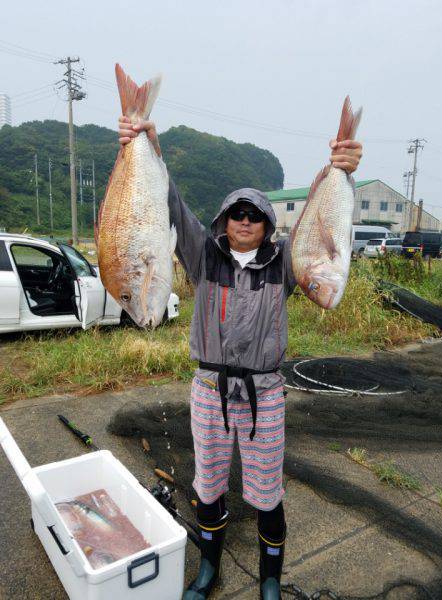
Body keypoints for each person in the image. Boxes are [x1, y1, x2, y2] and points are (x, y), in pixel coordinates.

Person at [118, 116, 362, 600]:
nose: (245, 220)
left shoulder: (285, 264)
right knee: (207, 485)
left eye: (254, 214)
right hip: (210, 390)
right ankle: (208, 570)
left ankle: (270, 579)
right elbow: (171, 203)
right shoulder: (203, 256)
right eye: (236, 213)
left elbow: (323, 224)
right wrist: (147, 143)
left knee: (268, 492)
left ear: (267, 224)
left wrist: (342, 170)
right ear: (224, 222)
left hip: (265, 395)